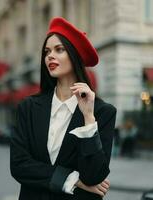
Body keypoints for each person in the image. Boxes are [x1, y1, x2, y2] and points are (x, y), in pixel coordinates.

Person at [10, 17, 117, 200]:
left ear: (75, 55)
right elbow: (19, 165)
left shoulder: (102, 112)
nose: (50, 56)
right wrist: (71, 179)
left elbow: (93, 176)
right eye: (47, 51)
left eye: (59, 50)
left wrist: (89, 118)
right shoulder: (28, 108)